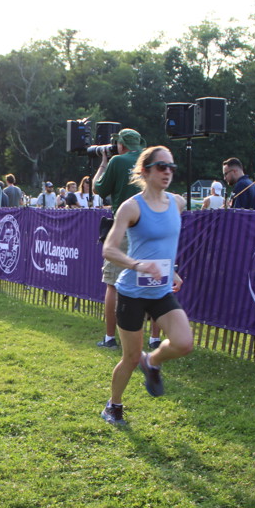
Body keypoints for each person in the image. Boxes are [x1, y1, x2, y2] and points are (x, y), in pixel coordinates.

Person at [100, 146, 192, 425]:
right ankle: (113, 405)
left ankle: (151, 361)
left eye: (171, 167)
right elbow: (109, 249)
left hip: (160, 290)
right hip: (132, 292)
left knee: (184, 343)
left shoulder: (178, 203)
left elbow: (164, 243)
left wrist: (170, 270)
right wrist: (137, 265)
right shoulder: (132, 207)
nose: (168, 172)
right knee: (129, 357)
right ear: (145, 170)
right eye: (162, 166)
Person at [94, 128, 146, 349]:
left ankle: (110, 338)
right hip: (148, 229)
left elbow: (98, 188)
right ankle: (152, 339)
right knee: (148, 284)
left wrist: (103, 164)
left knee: (113, 284)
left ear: (121, 145)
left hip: (124, 227)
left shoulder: (117, 161)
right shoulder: (151, 159)